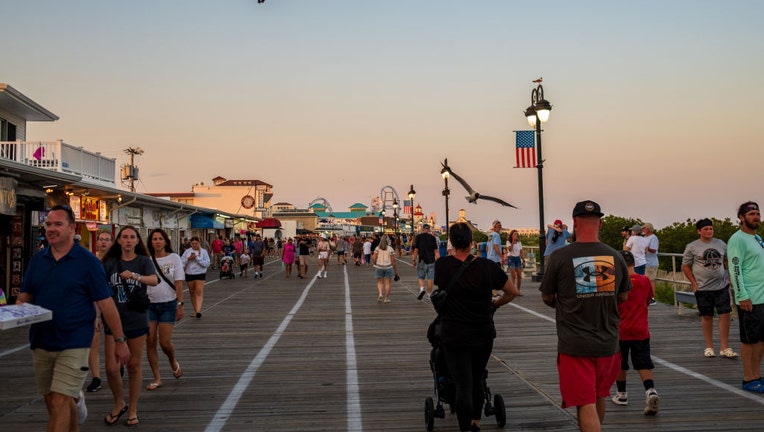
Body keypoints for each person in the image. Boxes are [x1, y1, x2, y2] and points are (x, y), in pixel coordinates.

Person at [17, 205, 130, 431]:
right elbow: (24, 296)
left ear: (72, 228)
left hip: (75, 341)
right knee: (53, 401)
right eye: (48, 224)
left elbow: (107, 303)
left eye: (58, 224)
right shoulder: (38, 260)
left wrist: (119, 341)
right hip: (41, 340)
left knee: (60, 399)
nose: (51, 229)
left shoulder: (88, 262)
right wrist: (16, 310)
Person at [540, 200, 631, 432]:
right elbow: (623, 297)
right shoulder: (616, 257)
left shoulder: (560, 257)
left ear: (574, 222)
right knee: (599, 395)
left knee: (585, 402)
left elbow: (547, 296)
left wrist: (566, 303)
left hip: (575, 344)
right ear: (600, 224)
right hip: (608, 342)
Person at [434, 222, 518, 432]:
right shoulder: (488, 267)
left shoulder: (442, 266)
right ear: (472, 242)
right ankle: (476, 423)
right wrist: (494, 304)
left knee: (463, 383)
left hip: (453, 333)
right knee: (477, 377)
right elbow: (512, 292)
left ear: (451, 242)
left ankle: (465, 428)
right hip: (482, 333)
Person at [101, 225, 159, 426]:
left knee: (134, 365)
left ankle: (132, 408)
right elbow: (98, 288)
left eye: (132, 237)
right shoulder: (109, 263)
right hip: (113, 319)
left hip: (136, 318)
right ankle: (119, 402)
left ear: (137, 241)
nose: (128, 240)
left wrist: (135, 276)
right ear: (118, 240)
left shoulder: (143, 261)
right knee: (111, 367)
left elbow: (154, 280)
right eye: (124, 237)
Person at [611, 251, 659, 416]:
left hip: (620, 330)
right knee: (643, 363)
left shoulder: (615, 283)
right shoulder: (644, 280)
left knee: (620, 363)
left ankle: (622, 394)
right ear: (633, 263)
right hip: (641, 330)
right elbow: (648, 301)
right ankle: (651, 391)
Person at [681, 218, 738, 359]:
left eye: (711, 228)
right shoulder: (692, 246)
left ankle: (724, 347)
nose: (709, 231)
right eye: (705, 229)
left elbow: (727, 260)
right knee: (707, 316)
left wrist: (730, 276)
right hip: (703, 287)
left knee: (725, 314)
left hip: (721, 286)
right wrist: (694, 283)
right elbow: (685, 266)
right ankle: (709, 346)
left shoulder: (721, 244)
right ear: (699, 231)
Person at [727, 201, 764, 393]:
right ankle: (748, 377)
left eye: (757, 214)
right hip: (750, 297)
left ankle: (757, 375)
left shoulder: (757, 238)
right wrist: (742, 295)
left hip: (762, 297)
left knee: (760, 339)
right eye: (751, 214)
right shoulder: (738, 239)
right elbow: (734, 268)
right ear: (741, 218)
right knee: (749, 339)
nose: (755, 217)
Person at [145, 228, 185, 392]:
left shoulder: (174, 258)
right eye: (154, 239)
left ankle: (172, 360)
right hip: (149, 304)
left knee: (165, 342)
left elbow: (178, 283)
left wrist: (180, 304)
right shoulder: (147, 260)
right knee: (150, 341)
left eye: (160, 238)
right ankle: (157, 378)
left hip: (168, 304)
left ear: (166, 241)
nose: (157, 241)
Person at [85, 231, 114, 393]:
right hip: (95, 305)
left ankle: (118, 365)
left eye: (106, 240)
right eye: (101, 239)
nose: (103, 242)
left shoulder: (116, 262)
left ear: (112, 242)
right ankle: (96, 377)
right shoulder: (91, 261)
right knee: (93, 341)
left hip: (113, 305)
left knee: (116, 339)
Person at [181, 236, 210, 319]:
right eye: (192, 243)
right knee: (192, 292)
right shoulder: (187, 252)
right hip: (189, 274)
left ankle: (198, 311)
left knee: (198, 291)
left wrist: (197, 258)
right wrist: (188, 259)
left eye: (196, 243)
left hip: (200, 273)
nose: (194, 245)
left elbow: (207, 264)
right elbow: (181, 263)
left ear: (199, 243)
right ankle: (195, 310)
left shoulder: (203, 252)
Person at [412, 224, 440, 300]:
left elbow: (416, 250)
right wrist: (439, 261)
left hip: (422, 260)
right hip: (431, 261)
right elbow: (436, 251)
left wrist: (414, 260)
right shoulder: (433, 238)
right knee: (430, 278)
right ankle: (429, 295)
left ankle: (421, 289)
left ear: (422, 229)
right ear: (429, 230)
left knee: (421, 277)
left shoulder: (418, 237)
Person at [372, 235, 399, 303]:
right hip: (388, 267)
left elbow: (373, 258)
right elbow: (393, 260)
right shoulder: (390, 249)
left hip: (379, 267)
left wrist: (375, 263)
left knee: (380, 282)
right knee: (388, 283)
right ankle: (386, 298)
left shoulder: (377, 248)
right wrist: (396, 270)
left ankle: (380, 294)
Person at [642, 223, 659, 305]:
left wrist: (646, 248)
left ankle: (652, 298)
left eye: (644, 228)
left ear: (648, 229)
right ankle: (647, 296)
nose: (642, 230)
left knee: (651, 280)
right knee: (646, 280)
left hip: (651, 263)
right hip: (645, 262)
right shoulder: (645, 238)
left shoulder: (653, 238)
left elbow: (654, 250)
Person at [506, 230, 525, 296]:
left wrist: (523, 260)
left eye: (516, 234)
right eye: (514, 234)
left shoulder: (519, 243)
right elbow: (510, 250)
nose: (516, 235)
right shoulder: (508, 242)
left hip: (517, 259)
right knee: (513, 275)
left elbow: (521, 252)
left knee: (519, 276)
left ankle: (518, 290)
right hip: (511, 258)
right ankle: (512, 291)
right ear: (511, 235)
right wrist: (513, 243)